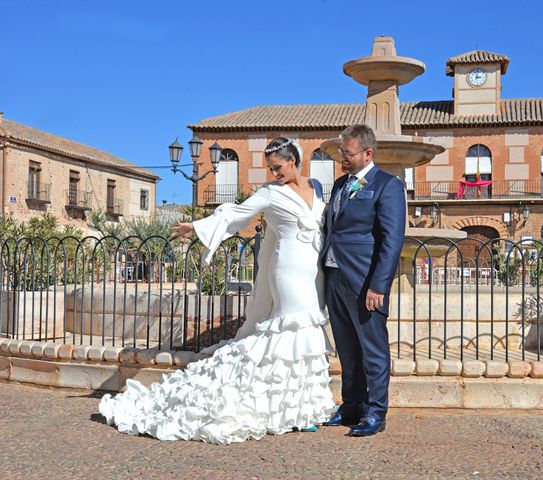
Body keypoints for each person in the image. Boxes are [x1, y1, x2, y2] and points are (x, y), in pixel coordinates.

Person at [99, 137, 335, 444]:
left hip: (313, 270)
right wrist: (196, 227)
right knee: (292, 328)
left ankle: (302, 408)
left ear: (293, 161)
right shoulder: (269, 193)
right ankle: (284, 408)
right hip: (287, 269)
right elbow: (235, 214)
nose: (273, 173)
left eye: (277, 167)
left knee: (308, 332)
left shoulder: (316, 189)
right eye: (269, 168)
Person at [321, 124, 406, 437]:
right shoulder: (340, 184)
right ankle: (351, 406)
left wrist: (378, 285)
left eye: (348, 152)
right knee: (346, 348)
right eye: (343, 151)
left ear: (368, 153)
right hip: (335, 277)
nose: (343, 157)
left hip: (365, 281)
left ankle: (375, 412)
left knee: (373, 349)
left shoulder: (388, 185)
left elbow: (392, 240)